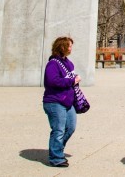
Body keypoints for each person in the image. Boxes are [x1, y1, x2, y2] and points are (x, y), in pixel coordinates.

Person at [42, 36, 81, 168]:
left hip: (67, 101)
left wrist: (74, 79)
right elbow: (52, 81)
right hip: (54, 101)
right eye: (69, 46)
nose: (71, 48)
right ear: (62, 47)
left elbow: (69, 78)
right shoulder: (53, 63)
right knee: (58, 129)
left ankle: (57, 149)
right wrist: (71, 81)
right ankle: (55, 157)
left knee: (70, 127)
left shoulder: (68, 63)